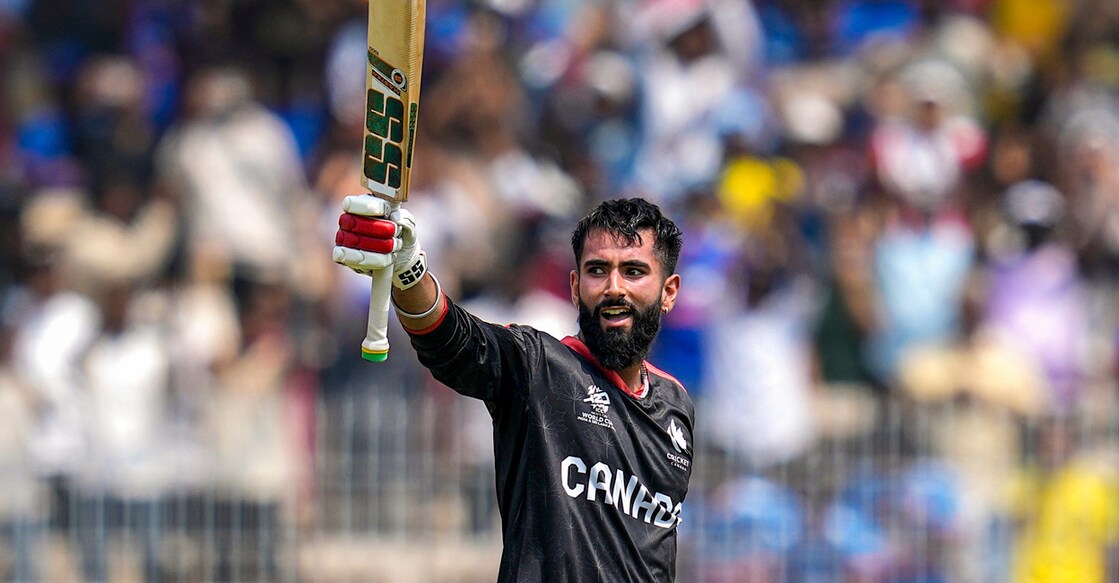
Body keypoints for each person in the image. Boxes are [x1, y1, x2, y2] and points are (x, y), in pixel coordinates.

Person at [333, 196, 695, 581]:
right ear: (575, 287)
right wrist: (409, 271)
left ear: (669, 291)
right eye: (597, 270)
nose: (614, 287)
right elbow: (452, 338)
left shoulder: (676, 405)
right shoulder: (539, 366)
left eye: (634, 271)